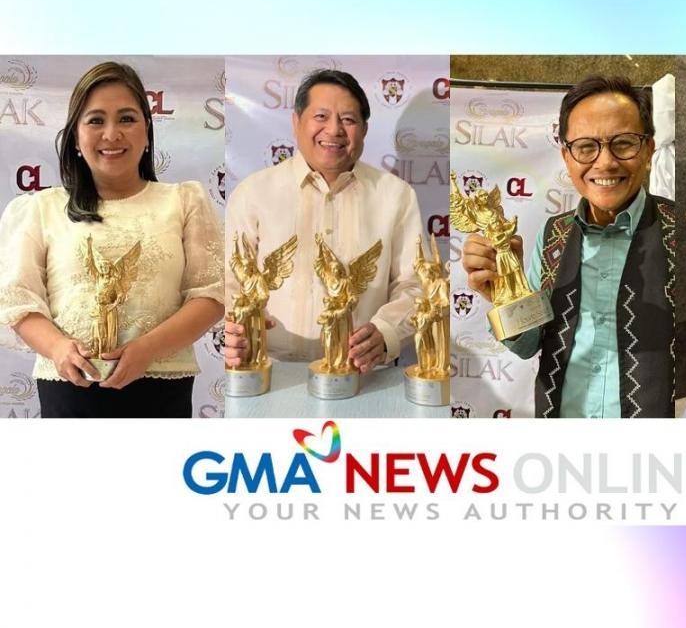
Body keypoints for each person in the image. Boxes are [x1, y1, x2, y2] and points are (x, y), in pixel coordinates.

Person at [0, 61, 225, 417]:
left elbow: (211, 294)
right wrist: (58, 348)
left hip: (162, 389)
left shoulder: (184, 201)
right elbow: (18, 299)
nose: (111, 134)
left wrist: (148, 349)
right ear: (76, 136)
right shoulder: (41, 208)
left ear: (147, 131)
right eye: (95, 120)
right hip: (70, 389)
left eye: (126, 119)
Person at [462, 75, 676, 418]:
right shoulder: (554, 236)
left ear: (649, 150)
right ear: (566, 156)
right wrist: (505, 294)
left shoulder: (681, 230)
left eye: (623, 143)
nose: (605, 163)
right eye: (586, 146)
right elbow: (528, 345)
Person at [224, 69, 422, 372]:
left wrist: (386, 332)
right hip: (269, 372)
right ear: (296, 122)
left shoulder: (396, 195)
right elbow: (228, 281)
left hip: (361, 374)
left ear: (364, 129)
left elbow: (416, 285)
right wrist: (235, 327)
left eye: (348, 119)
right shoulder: (254, 193)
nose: (334, 130)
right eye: (321, 117)